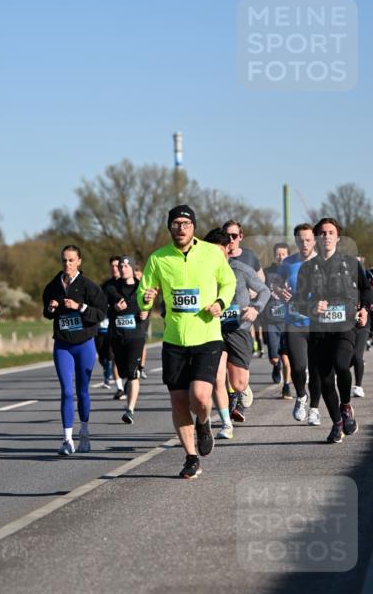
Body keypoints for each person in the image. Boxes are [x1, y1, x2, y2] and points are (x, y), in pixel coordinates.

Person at [138, 205, 236, 479]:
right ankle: (191, 457)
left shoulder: (211, 253)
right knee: (179, 401)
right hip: (174, 340)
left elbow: (229, 283)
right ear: (169, 227)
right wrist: (145, 298)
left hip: (206, 337)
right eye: (176, 224)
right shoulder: (158, 259)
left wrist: (220, 302)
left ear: (193, 227)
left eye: (185, 223)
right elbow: (142, 291)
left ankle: (203, 422)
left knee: (200, 396)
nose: (180, 228)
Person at [294, 218, 373, 443]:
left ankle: (346, 406)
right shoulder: (308, 268)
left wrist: (365, 310)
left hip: (345, 327)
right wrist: (311, 306)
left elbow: (368, 292)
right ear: (317, 239)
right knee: (325, 380)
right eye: (322, 233)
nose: (326, 236)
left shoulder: (350, 264)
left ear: (338, 237)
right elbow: (297, 301)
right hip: (320, 331)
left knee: (342, 365)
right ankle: (337, 422)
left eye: (331, 232)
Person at [42, 244, 107, 455]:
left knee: (82, 391)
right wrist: (51, 308)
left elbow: (100, 313)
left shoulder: (88, 286)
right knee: (67, 392)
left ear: (79, 261)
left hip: (84, 344)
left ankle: (85, 434)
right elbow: (47, 312)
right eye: (64, 260)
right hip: (62, 345)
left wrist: (79, 307)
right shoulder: (53, 285)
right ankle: (67, 440)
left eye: (71, 260)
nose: (67, 264)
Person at [205, 229, 270, 437]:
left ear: (227, 249)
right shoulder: (203, 273)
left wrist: (255, 308)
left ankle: (242, 388)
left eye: (218, 251)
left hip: (238, 329)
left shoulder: (241, 269)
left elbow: (264, 291)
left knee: (238, 382)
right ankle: (226, 423)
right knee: (217, 378)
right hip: (213, 329)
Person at [275, 223, 322, 425]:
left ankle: (314, 409)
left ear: (315, 240)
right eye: (300, 240)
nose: (304, 243)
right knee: (299, 366)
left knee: (317, 367)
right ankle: (301, 395)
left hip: (318, 323)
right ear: (295, 240)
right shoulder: (287, 263)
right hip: (294, 322)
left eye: (308, 239)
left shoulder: (322, 262)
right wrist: (278, 290)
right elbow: (275, 284)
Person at [105, 256, 148, 424]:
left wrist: (146, 312)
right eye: (121, 266)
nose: (123, 268)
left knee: (132, 372)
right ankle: (125, 386)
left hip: (135, 336)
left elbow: (148, 304)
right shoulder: (110, 288)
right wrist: (114, 308)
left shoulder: (141, 288)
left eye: (126, 265)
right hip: (117, 335)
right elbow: (102, 310)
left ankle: (130, 409)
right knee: (122, 371)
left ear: (132, 268)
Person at [222, 220, 265, 358]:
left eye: (234, 235)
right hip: (220, 314)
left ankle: (255, 343)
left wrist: (253, 292)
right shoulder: (216, 255)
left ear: (240, 236)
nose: (230, 239)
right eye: (226, 235)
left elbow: (261, 279)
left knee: (238, 366)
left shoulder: (249, 256)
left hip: (242, 314)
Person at [263, 242, 293, 399]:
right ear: (274, 255)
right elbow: (259, 289)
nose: (281, 256)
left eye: (284, 254)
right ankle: (276, 366)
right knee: (274, 357)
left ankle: (286, 387)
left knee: (287, 356)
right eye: (278, 254)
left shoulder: (293, 272)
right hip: (271, 320)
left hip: (287, 321)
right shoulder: (267, 272)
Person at [97, 256, 120, 388]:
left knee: (112, 355)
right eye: (112, 266)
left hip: (117, 328)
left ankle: (120, 383)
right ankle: (107, 369)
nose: (114, 269)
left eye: (117, 266)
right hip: (102, 326)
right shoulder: (105, 286)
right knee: (101, 356)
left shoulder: (127, 285)